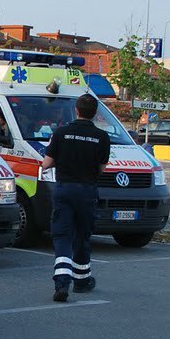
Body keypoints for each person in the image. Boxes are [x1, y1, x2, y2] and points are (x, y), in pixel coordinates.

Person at [41, 92, 110, 303]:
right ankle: (82, 280)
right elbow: (102, 168)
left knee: (62, 236)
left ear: (77, 110)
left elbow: (46, 163)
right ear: (95, 113)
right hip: (87, 191)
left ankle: (62, 283)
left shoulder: (61, 133)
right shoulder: (102, 137)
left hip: (64, 190)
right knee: (82, 235)